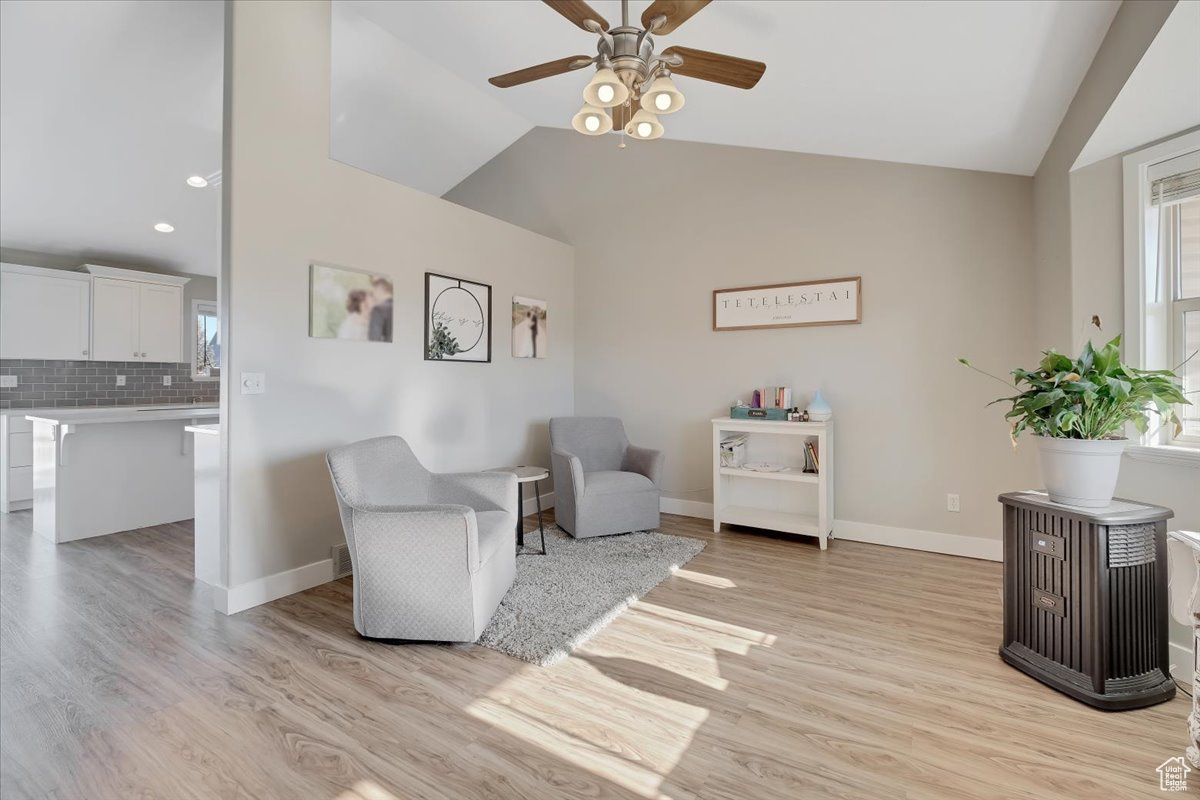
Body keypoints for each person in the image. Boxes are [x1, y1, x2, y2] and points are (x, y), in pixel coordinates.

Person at [368, 277, 393, 342]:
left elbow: (374, 340)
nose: (374, 296)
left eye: (373, 292)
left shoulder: (378, 309)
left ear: (380, 289)